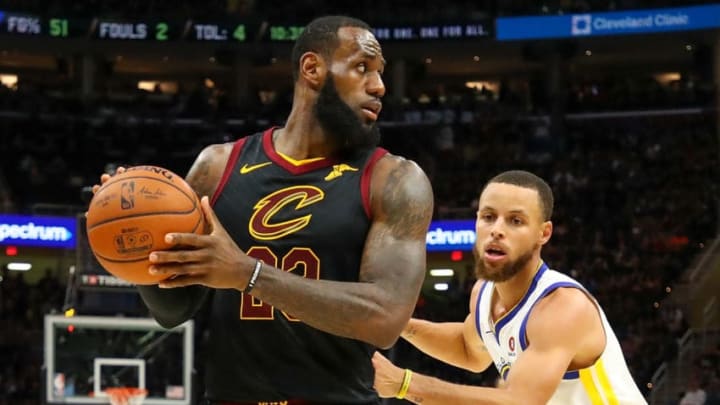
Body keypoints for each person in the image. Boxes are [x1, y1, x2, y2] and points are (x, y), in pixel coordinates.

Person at [94, 15, 433, 404]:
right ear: (312, 69)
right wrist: (136, 244)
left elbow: (385, 317)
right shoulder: (218, 166)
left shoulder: (394, 179)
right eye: (362, 68)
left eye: (379, 72)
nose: (379, 86)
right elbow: (173, 309)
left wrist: (247, 274)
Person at [372, 170, 647, 404]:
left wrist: (404, 383)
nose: (497, 230)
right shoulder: (484, 292)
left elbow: (519, 402)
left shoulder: (563, 306)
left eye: (515, 221)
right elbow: (470, 349)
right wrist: (400, 324)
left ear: (544, 233)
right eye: (488, 217)